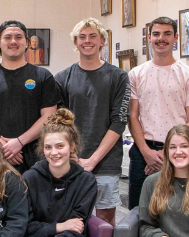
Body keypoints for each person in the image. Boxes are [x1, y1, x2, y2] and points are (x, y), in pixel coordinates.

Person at [54, 18, 129, 225]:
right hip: (70, 162)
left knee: (105, 221)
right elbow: (60, 124)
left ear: (102, 41)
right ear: (76, 42)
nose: (87, 41)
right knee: (70, 218)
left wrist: (94, 160)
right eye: (82, 37)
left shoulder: (118, 77)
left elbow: (118, 122)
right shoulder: (62, 78)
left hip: (106, 163)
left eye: (93, 36)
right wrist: (75, 156)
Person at [126, 16, 189, 208]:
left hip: (179, 152)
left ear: (176, 37)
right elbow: (132, 116)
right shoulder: (135, 74)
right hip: (143, 152)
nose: (161, 38)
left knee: (179, 209)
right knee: (139, 209)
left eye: (167, 34)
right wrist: (147, 153)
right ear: (149, 37)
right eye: (156, 34)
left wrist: (169, 152)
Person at [0, 20, 58, 174]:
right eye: (7, 37)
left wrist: (20, 142)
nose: (13, 41)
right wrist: (0, 144)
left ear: (27, 43)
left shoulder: (43, 76)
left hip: (34, 161)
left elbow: (49, 116)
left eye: (18, 37)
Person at [23, 108, 98, 236]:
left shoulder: (86, 181)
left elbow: (77, 228)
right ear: (42, 149)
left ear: (72, 146)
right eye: (48, 147)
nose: (54, 153)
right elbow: (26, 226)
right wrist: (59, 226)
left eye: (60, 146)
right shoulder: (29, 178)